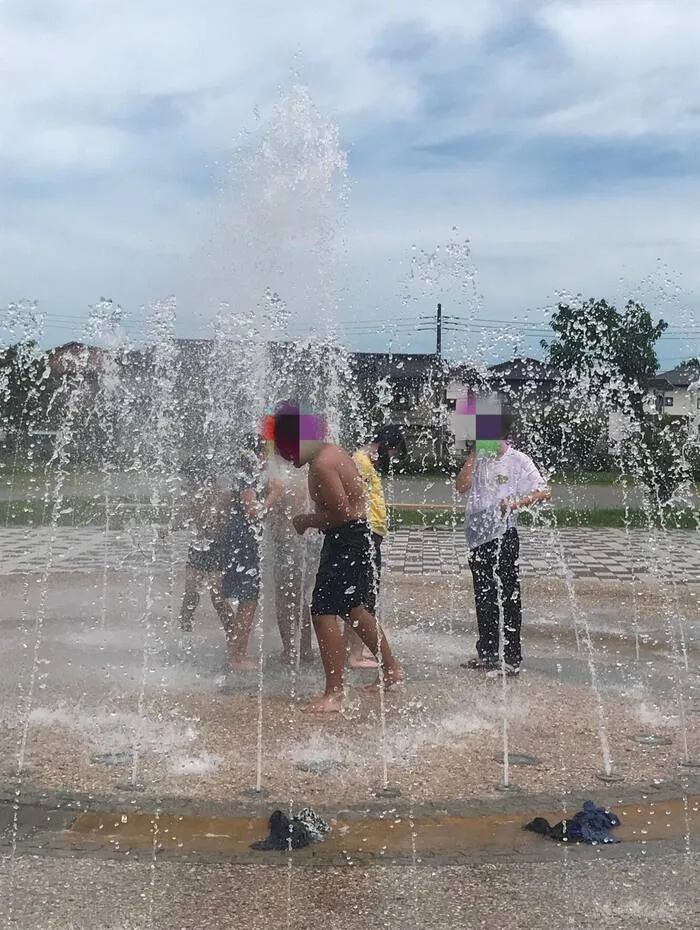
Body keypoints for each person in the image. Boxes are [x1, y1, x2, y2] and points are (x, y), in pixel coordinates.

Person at [272, 402, 403, 713]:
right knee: (355, 610)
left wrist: (306, 521)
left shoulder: (322, 464)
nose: (287, 458)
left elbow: (343, 512)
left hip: (348, 539)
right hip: (354, 539)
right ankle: (391, 670)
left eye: (288, 449)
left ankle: (336, 691)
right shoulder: (330, 453)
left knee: (322, 610)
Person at [456, 432, 551, 678]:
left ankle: (512, 657)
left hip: (504, 537)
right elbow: (461, 487)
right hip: (477, 540)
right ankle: (487, 654)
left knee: (509, 597)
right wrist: (474, 454)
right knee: (483, 597)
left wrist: (516, 504)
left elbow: (543, 492)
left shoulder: (518, 460)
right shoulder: (479, 460)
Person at [346, 425, 405, 669]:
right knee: (363, 596)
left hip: (373, 533)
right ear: (384, 446)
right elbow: (353, 497)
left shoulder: (367, 463)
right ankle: (354, 654)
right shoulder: (359, 461)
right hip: (365, 533)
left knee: (367, 594)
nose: (391, 458)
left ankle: (356, 650)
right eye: (393, 452)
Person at [267, 454, 315, 666]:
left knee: (285, 598)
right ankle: (305, 648)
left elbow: (272, 506)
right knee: (300, 597)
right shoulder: (307, 468)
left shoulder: (278, 471)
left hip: (287, 542)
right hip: (307, 541)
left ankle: (290, 650)